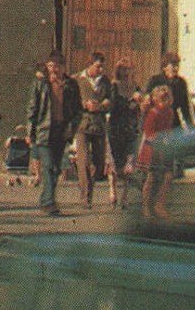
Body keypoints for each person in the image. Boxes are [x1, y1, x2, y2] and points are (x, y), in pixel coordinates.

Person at [26, 57, 82, 217]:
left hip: (61, 130)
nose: (54, 70)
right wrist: (30, 132)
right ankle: (49, 202)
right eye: (50, 66)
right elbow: (32, 109)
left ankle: (46, 199)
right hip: (44, 130)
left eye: (57, 66)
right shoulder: (41, 84)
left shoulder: (71, 86)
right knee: (49, 165)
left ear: (63, 67)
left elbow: (78, 111)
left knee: (56, 168)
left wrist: (70, 129)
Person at [75, 54, 117, 208]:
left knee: (98, 164)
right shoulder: (78, 79)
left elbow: (111, 101)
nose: (100, 69)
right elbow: (72, 100)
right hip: (82, 126)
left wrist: (101, 106)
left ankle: (86, 187)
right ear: (90, 65)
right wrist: (84, 104)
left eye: (102, 67)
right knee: (83, 161)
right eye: (98, 66)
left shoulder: (106, 82)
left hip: (99, 126)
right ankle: (86, 197)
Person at [137, 83, 178, 219]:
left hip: (164, 147)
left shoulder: (170, 112)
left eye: (166, 99)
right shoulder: (153, 113)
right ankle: (145, 207)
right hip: (151, 148)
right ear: (155, 100)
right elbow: (149, 134)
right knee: (151, 178)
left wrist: (169, 137)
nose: (164, 103)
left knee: (168, 176)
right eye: (161, 100)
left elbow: (168, 129)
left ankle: (159, 204)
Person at [107, 62, 142, 205]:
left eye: (129, 69)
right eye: (123, 70)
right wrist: (131, 101)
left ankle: (125, 195)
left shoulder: (136, 87)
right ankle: (112, 189)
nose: (126, 72)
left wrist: (139, 101)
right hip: (116, 128)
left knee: (129, 163)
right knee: (114, 161)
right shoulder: (114, 86)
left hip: (131, 128)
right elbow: (113, 105)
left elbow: (140, 107)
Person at [146, 54, 195, 133]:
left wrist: (192, 128)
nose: (176, 68)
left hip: (174, 123)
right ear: (164, 67)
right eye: (173, 65)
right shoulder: (155, 81)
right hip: (157, 123)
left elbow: (185, 108)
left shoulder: (181, 83)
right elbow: (147, 102)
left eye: (177, 65)